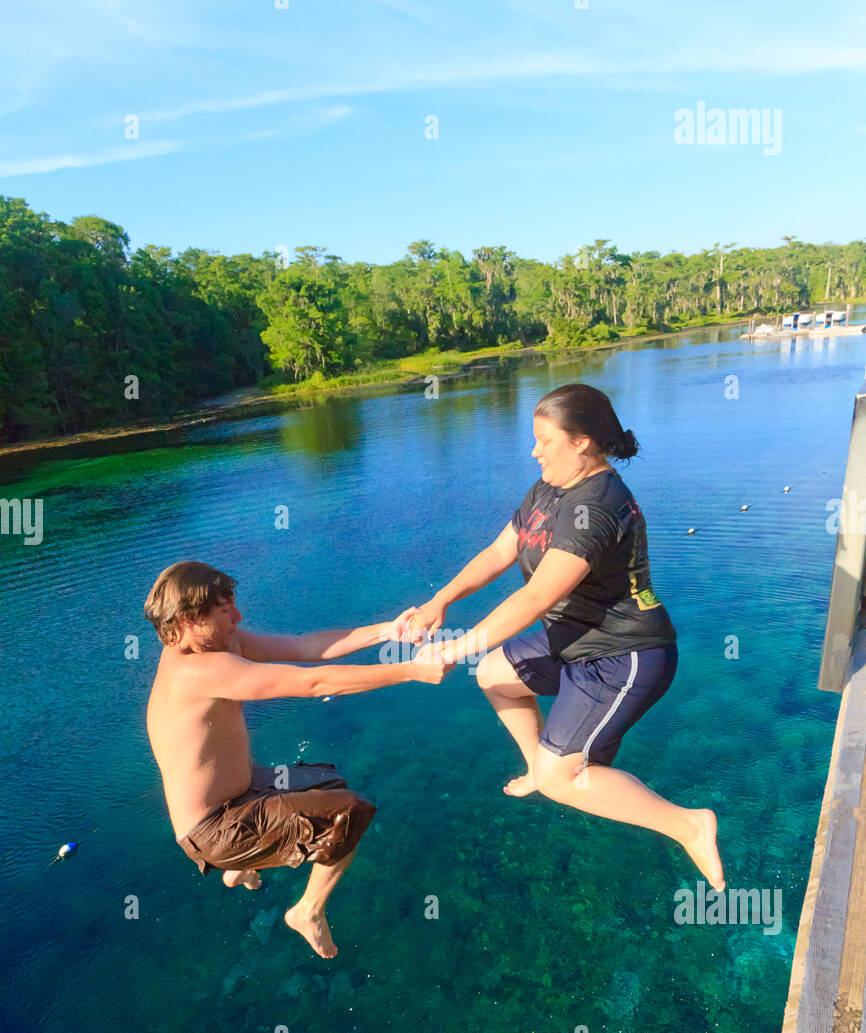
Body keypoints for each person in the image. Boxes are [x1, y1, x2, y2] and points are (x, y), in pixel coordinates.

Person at [395, 383, 725, 891]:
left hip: (625, 654)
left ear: (582, 442)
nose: (534, 451)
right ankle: (540, 766)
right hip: (574, 640)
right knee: (495, 675)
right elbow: (500, 552)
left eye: (544, 440)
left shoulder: (598, 506)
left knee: (562, 779)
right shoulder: (550, 487)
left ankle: (689, 824)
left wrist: (454, 649)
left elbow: (534, 600)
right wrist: (441, 601)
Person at [145, 561, 450, 958]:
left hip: (242, 791)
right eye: (225, 613)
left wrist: (386, 631)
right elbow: (313, 683)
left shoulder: (218, 643)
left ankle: (242, 867)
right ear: (188, 619)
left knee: (328, 784)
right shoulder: (198, 670)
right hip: (215, 828)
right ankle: (306, 911)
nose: (238, 619)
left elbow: (307, 648)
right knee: (351, 813)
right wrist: (410, 671)